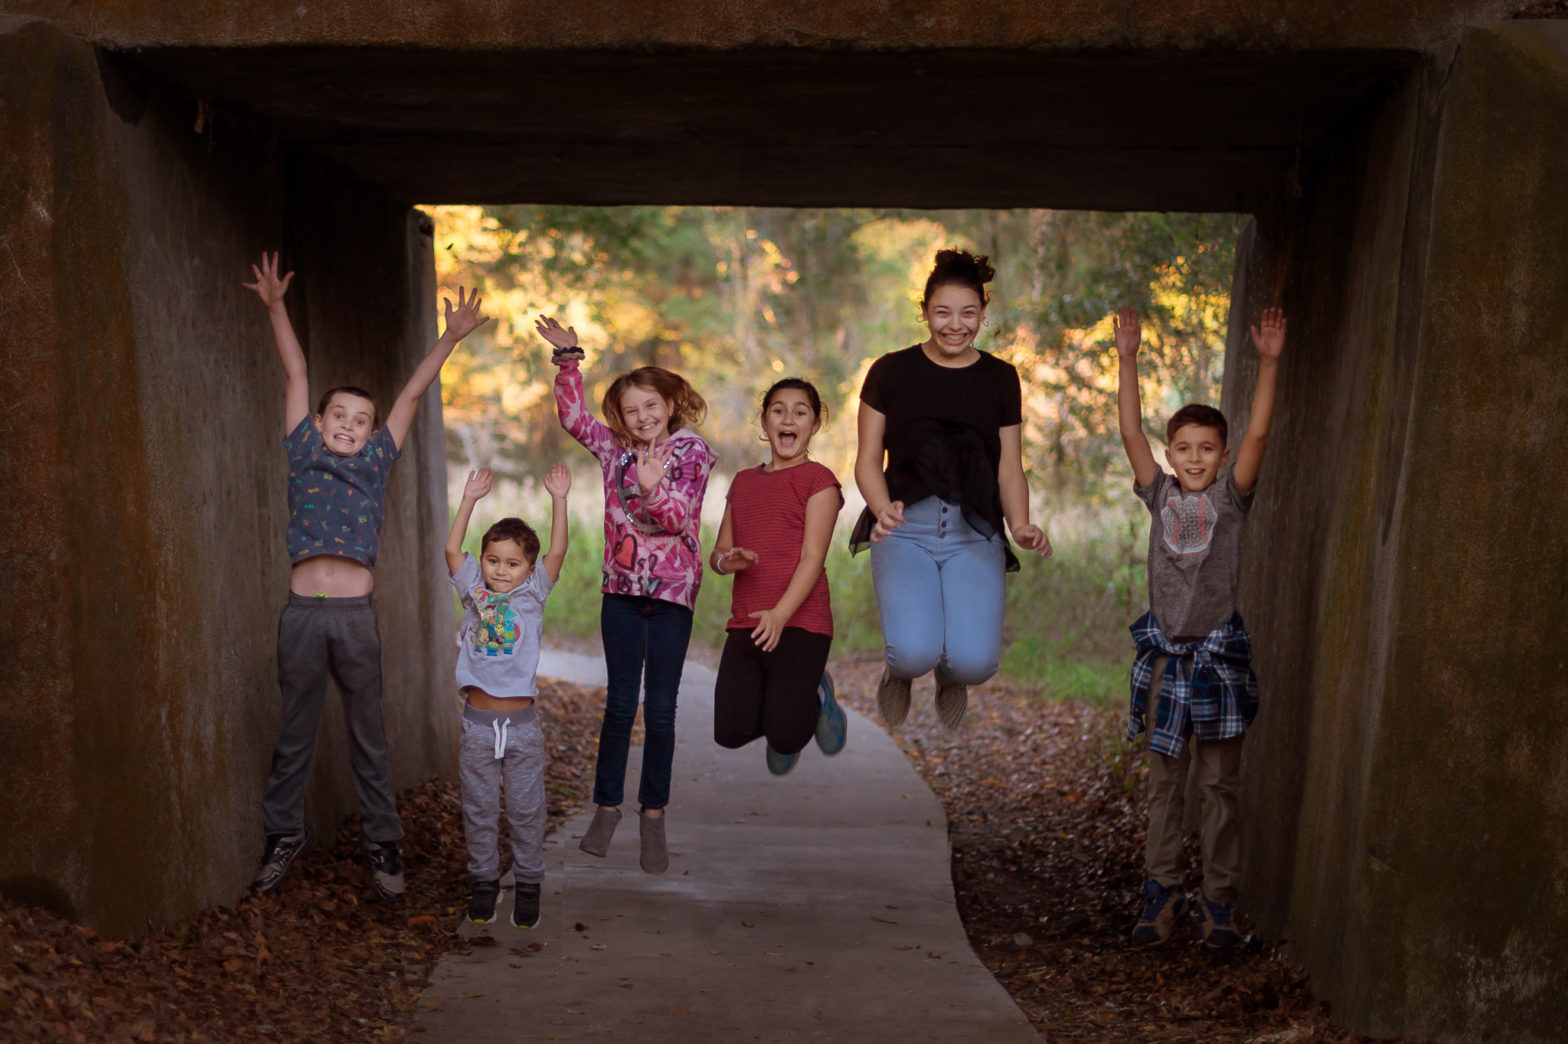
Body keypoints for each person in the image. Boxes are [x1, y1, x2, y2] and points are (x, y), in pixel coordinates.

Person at [243, 251, 489, 900]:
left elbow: (412, 391)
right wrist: (275, 306)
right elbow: (294, 368)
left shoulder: (378, 460)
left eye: (360, 419)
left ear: (374, 433)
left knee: (367, 737)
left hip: (354, 621)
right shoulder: (300, 451)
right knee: (293, 735)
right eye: (338, 417)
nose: (349, 426)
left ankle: (384, 843)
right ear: (317, 424)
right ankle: (282, 836)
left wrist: (451, 338)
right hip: (301, 616)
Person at [1115, 304, 1286, 951]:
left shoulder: (1229, 500)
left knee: (1220, 785)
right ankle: (1159, 894)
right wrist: (1128, 359)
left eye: (1206, 449)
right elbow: (1130, 430)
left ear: (1220, 456)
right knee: (1166, 785)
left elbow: (1261, 437)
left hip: (1217, 666)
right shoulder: (1159, 496)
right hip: (1165, 662)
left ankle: (1218, 902)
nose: (1194, 457)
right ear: (1170, 454)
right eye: (1182, 448)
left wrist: (1269, 361)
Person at [534, 315, 716, 875]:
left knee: (659, 710)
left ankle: (653, 814)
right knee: (618, 705)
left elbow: (678, 517)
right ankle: (607, 808)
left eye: (651, 405)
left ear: (670, 403)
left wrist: (652, 483)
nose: (642, 417)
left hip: (670, 597)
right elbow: (571, 418)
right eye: (631, 410)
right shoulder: (613, 450)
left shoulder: (693, 452)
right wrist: (569, 359)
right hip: (620, 590)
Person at [851, 248, 1051, 730]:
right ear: (924, 312)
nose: (954, 325)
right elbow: (865, 460)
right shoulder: (890, 372)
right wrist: (881, 510)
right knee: (911, 651)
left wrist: (1020, 524)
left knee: (975, 664)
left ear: (983, 313)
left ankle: (950, 675)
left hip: (975, 532)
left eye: (968, 313)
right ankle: (899, 672)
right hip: (904, 531)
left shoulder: (1001, 378)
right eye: (942, 312)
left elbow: (1009, 467)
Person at [445, 464, 569, 930]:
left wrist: (558, 497)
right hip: (477, 726)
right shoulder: (472, 591)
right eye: (494, 560)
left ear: (529, 569)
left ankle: (530, 882)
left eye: (512, 563)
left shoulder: (534, 595)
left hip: (521, 730)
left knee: (525, 809)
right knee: (478, 808)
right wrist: (470, 500)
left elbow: (558, 548)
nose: (501, 570)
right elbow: (450, 549)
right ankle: (483, 882)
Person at [710, 379, 847, 776]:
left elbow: (812, 557)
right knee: (729, 733)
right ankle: (788, 703)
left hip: (801, 623)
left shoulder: (818, 480)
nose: (789, 418)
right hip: (748, 622)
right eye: (779, 410)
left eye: (800, 411)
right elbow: (719, 555)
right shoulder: (743, 482)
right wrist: (726, 562)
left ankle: (814, 696)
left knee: (786, 737)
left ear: (814, 424)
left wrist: (780, 615)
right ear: (765, 421)